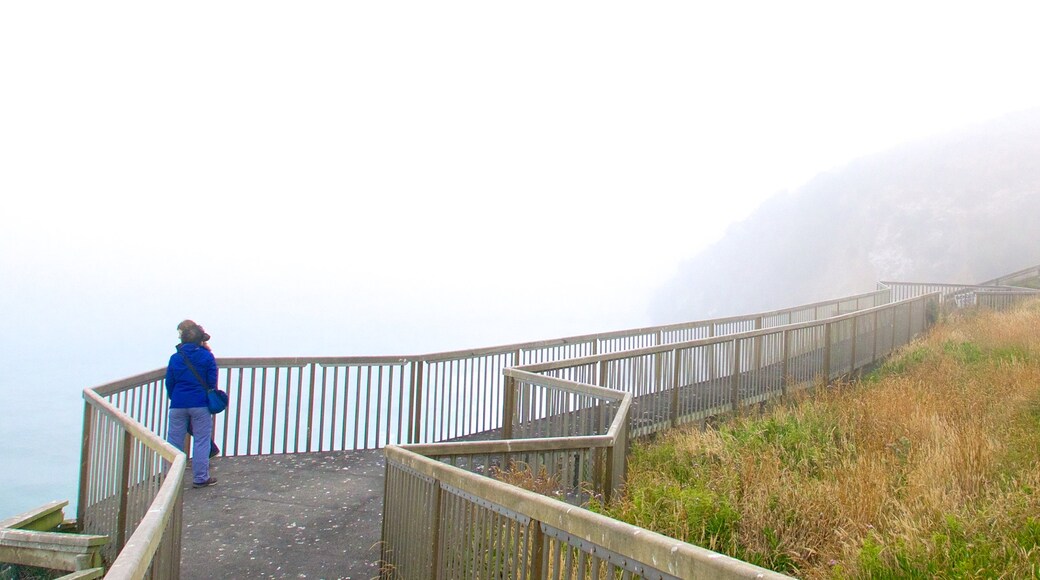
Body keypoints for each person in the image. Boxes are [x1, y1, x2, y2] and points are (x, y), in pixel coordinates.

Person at [166, 319, 219, 488]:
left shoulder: (175, 357)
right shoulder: (206, 356)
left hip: (178, 403)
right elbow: (211, 381)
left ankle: (170, 480)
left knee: (174, 442)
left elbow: (170, 382)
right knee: (201, 441)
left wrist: (175, 397)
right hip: (200, 403)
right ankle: (200, 478)